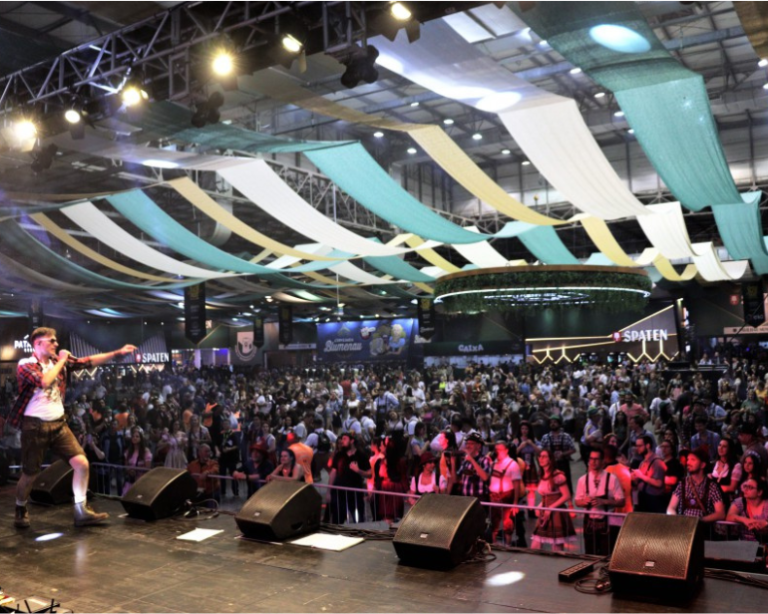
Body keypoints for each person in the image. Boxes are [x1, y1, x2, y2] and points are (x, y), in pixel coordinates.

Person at [6, 327, 136, 528]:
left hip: (59, 424)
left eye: (56, 341)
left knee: (82, 463)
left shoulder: (59, 362)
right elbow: (44, 381)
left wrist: (117, 353)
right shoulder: (26, 364)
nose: (56, 344)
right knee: (30, 473)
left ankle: (80, 510)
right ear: (38, 343)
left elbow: (89, 361)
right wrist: (61, 360)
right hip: (34, 426)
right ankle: (20, 508)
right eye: (51, 341)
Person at [575, 447, 625, 556]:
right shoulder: (582, 480)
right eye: (591, 459)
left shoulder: (612, 479)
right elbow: (577, 502)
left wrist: (604, 502)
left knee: (607, 554)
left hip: (608, 523)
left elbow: (621, 501)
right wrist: (584, 502)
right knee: (589, 554)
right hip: (589, 523)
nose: (593, 462)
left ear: (603, 461)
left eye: (596, 459)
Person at [667, 447, 726, 528]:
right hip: (683, 528)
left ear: (703, 465)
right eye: (688, 459)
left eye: (693, 460)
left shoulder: (711, 486)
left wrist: (700, 521)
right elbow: (670, 508)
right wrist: (677, 520)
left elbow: (721, 513)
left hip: (702, 530)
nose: (688, 462)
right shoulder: (682, 484)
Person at [531, 448, 576, 551]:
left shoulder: (557, 475)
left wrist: (550, 508)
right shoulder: (542, 474)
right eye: (540, 456)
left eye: (544, 456)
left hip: (556, 513)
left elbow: (566, 495)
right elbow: (546, 495)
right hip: (545, 513)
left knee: (556, 547)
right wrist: (540, 506)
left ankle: (558, 567)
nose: (541, 459)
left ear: (550, 460)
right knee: (535, 545)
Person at [328, 433, 371, 524]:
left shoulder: (361, 455)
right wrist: (329, 491)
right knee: (338, 517)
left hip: (355, 492)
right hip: (339, 491)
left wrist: (358, 470)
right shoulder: (339, 455)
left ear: (352, 441)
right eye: (341, 439)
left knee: (358, 518)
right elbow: (333, 472)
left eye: (344, 439)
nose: (342, 441)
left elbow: (369, 474)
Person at [489, 439, 522, 547]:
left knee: (507, 522)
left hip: (506, 496)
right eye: (496, 449)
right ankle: (493, 543)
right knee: (494, 521)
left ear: (506, 450)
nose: (498, 451)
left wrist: (515, 502)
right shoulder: (494, 462)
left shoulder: (513, 464)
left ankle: (508, 544)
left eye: (500, 449)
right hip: (493, 496)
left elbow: (517, 484)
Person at [540, 415, 576, 493]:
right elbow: (541, 451)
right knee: (552, 484)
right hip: (551, 465)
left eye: (555, 422)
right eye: (551, 422)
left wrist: (563, 454)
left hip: (564, 463)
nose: (553, 424)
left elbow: (573, 449)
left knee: (566, 483)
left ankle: (568, 499)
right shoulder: (545, 437)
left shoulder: (566, 436)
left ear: (559, 424)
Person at [631, 435, 666, 513]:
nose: (637, 448)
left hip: (654, 501)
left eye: (640, 446)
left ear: (648, 445)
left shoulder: (657, 462)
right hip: (643, 499)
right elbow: (639, 482)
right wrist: (634, 479)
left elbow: (659, 483)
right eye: (636, 446)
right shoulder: (642, 462)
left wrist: (641, 476)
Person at [726, 478, 768, 543]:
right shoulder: (740, 502)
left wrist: (766, 523)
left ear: (759, 492)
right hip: (745, 546)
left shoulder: (766, 504)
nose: (745, 489)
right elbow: (729, 516)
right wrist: (744, 520)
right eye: (745, 486)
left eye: (750, 487)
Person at [456, 432, 492, 501]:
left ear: (479, 446)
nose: (468, 446)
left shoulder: (484, 460)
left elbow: (485, 477)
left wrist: (472, 460)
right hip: (465, 498)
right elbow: (457, 479)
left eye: (471, 444)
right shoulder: (465, 461)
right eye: (467, 443)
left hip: (479, 499)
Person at [122, 427, 153, 496]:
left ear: (141, 439)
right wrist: (129, 471)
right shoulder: (128, 451)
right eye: (133, 436)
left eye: (137, 436)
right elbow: (126, 466)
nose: (134, 438)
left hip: (141, 481)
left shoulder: (145, 451)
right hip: (130, 481)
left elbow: (148, 468)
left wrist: (138, 470)